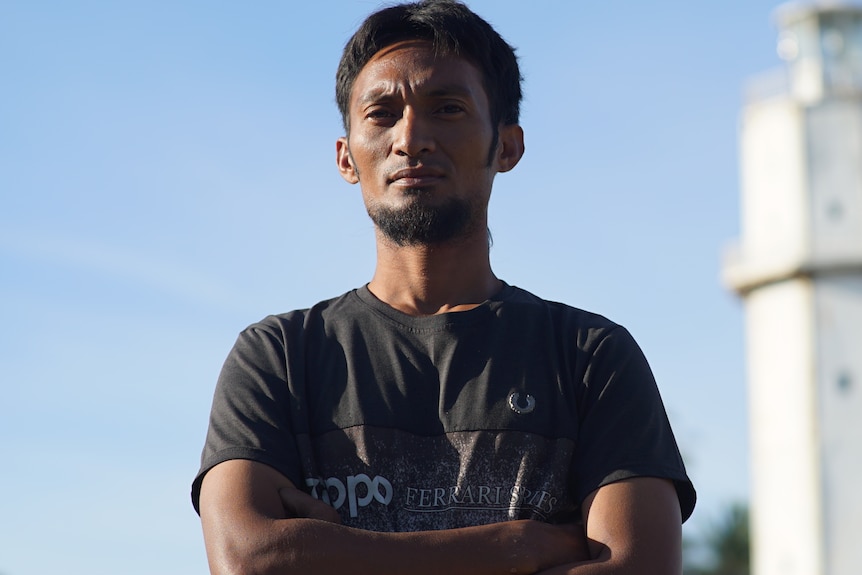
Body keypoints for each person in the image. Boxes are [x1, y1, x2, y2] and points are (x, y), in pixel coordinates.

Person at [191, 1, 696, 573]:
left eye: (448, 109)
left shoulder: (589, 357)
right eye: (381, 113)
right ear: (345, 157)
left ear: (507, 146)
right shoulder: (279, 357)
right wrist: (518, 547)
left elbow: (636, 567)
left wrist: (332, 554)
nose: (411, 138)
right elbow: (249, 559)